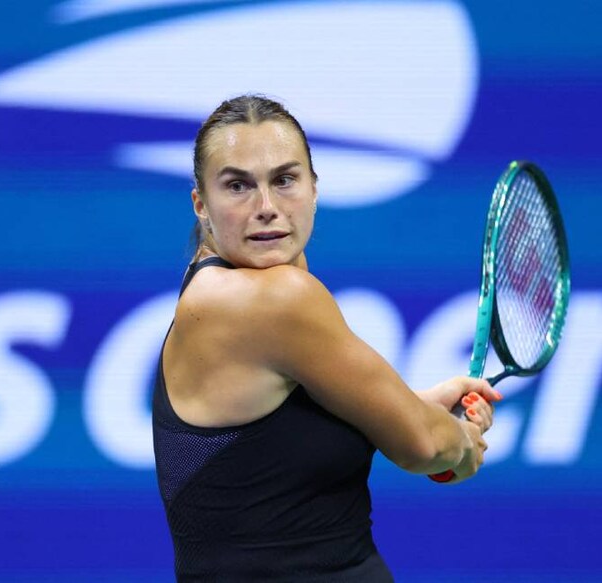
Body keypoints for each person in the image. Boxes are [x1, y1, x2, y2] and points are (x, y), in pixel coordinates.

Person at [151, 94, 501, 582]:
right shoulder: (274, 298)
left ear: (314, 189)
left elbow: (280, 444)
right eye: (237, 186)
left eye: (284, 180)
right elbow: (423, 446)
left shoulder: (218, 289)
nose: (266, 208)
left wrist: (422, 408)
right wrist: (458, 442)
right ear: (201, 205)